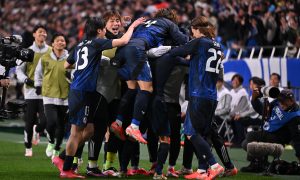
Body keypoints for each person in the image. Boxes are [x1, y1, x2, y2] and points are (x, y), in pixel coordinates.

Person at [52, 16, 145, 179]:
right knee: (76, 132)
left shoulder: (81, 44)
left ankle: (61, 158)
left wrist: (89, 63)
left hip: (83, 90)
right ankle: (66, 169)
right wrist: (134, 26)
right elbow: (123, 41)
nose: (105, 32)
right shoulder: (97, 42)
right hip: (83, 92)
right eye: (104, 29)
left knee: (89, 130)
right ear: (100, 31)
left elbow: (67, 65)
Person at [110, 8, 188, 144]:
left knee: (132, 88)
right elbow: (183, 40)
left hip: (122, 51)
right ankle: (134, 126)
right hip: (137, 50)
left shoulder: (145, 22)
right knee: (147, 88)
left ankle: (118, 121)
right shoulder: (168, 23)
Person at [168, 16, 225, 179]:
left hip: (198, 94)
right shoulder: (216, 44)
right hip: (211, 95)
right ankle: (201, 170)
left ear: (196, 28)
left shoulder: (199, 42)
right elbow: (195, 63)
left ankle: (214, 165)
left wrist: (165, 50)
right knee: (203, 133)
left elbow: (176, 51)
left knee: (191, 132)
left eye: (191, 30)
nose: (191, 33)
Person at [241, 89, 300, 172]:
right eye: (280, 101)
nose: (281, 104)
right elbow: (264, 111)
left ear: (291, 101)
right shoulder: (277, 102)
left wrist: (299, 155)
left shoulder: (295, 116)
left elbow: (297, 138)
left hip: (278, 138)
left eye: (284, 102)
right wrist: (254, 100)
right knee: (245, 144)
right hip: (268, 132)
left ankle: (258, 164)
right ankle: (260, 163)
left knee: (250, 135)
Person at [16, 25, 50, 157]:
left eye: (44, 32)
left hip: (47, 92)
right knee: (29, 121)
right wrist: (26, 80)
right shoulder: (27, 52)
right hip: (30, 92)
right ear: (34, 34)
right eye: (40, 32)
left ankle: (39, 129)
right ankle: (28, 147)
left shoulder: (52, 51)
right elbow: (19, 70)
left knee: (46, 120)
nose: (43, 34)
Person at [34, 33, 69, 159]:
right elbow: (38, 73)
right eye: (58, 40)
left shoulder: (70, 58)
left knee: (62, 126)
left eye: (63, 40)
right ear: (53, 43)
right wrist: (38, 85)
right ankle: (50, 142)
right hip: (48, 95)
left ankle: (57, 148)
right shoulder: (45, 58)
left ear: (65, 43)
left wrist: (72, 78)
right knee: (51, 122)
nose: (60, 42)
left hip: (65, 96)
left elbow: (76, 74)